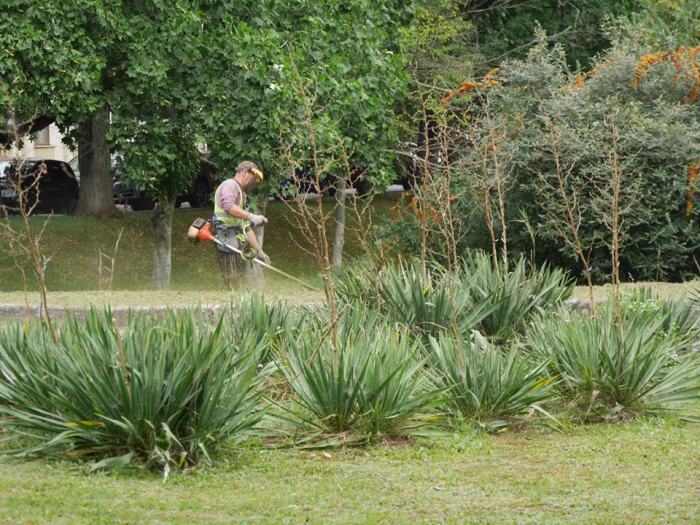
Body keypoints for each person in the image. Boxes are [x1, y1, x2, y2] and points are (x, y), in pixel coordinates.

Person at [212, 160, 271, 288]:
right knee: (232, 280)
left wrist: (259, 251)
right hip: (226, 238)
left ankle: (240, 304)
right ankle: (232, 305)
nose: (253, 183)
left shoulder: (242, 195)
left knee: (241, 280)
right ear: (245, 172)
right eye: (253, 179)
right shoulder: (230, 185)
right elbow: (228, 206)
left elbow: (246, 227)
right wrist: (251, 216)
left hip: (237, 240)